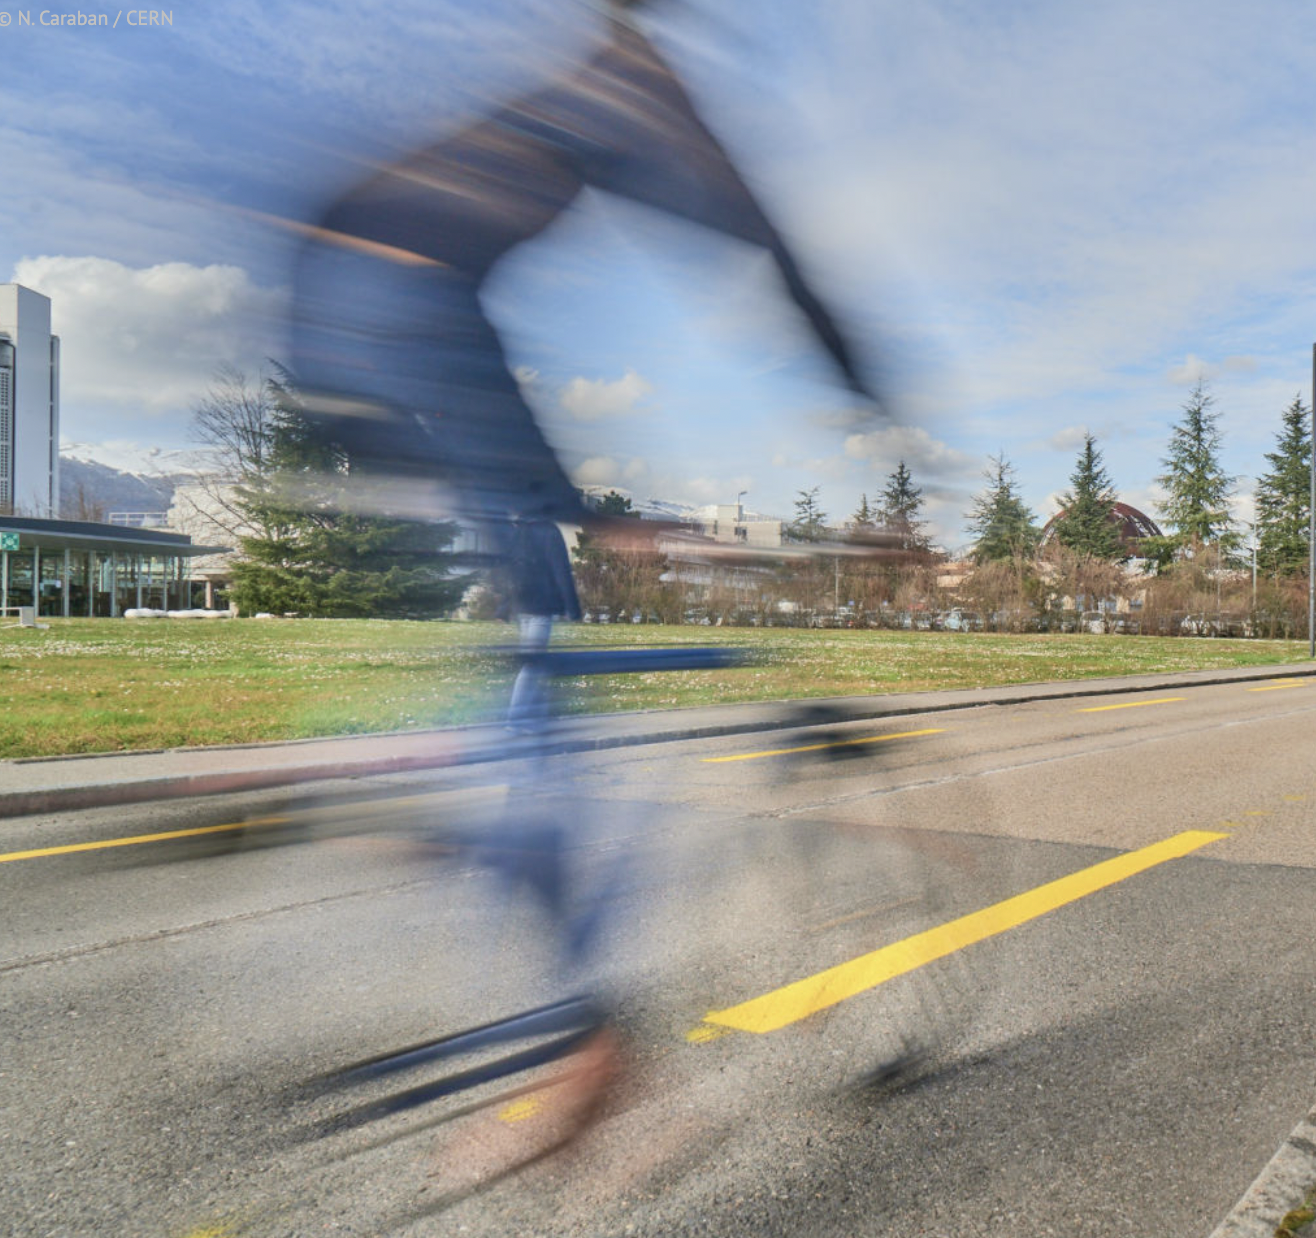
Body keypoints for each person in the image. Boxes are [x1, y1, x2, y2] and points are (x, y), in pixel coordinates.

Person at [284, 0, 880, 1168]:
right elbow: (770, 256)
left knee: (525, 629)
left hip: (319, 319)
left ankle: (426, 790)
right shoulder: (640, 90)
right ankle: (591, 1037)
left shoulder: (556, 88)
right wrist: (866, 396)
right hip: (409, 311)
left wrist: (590, 507)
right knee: (547, 628)